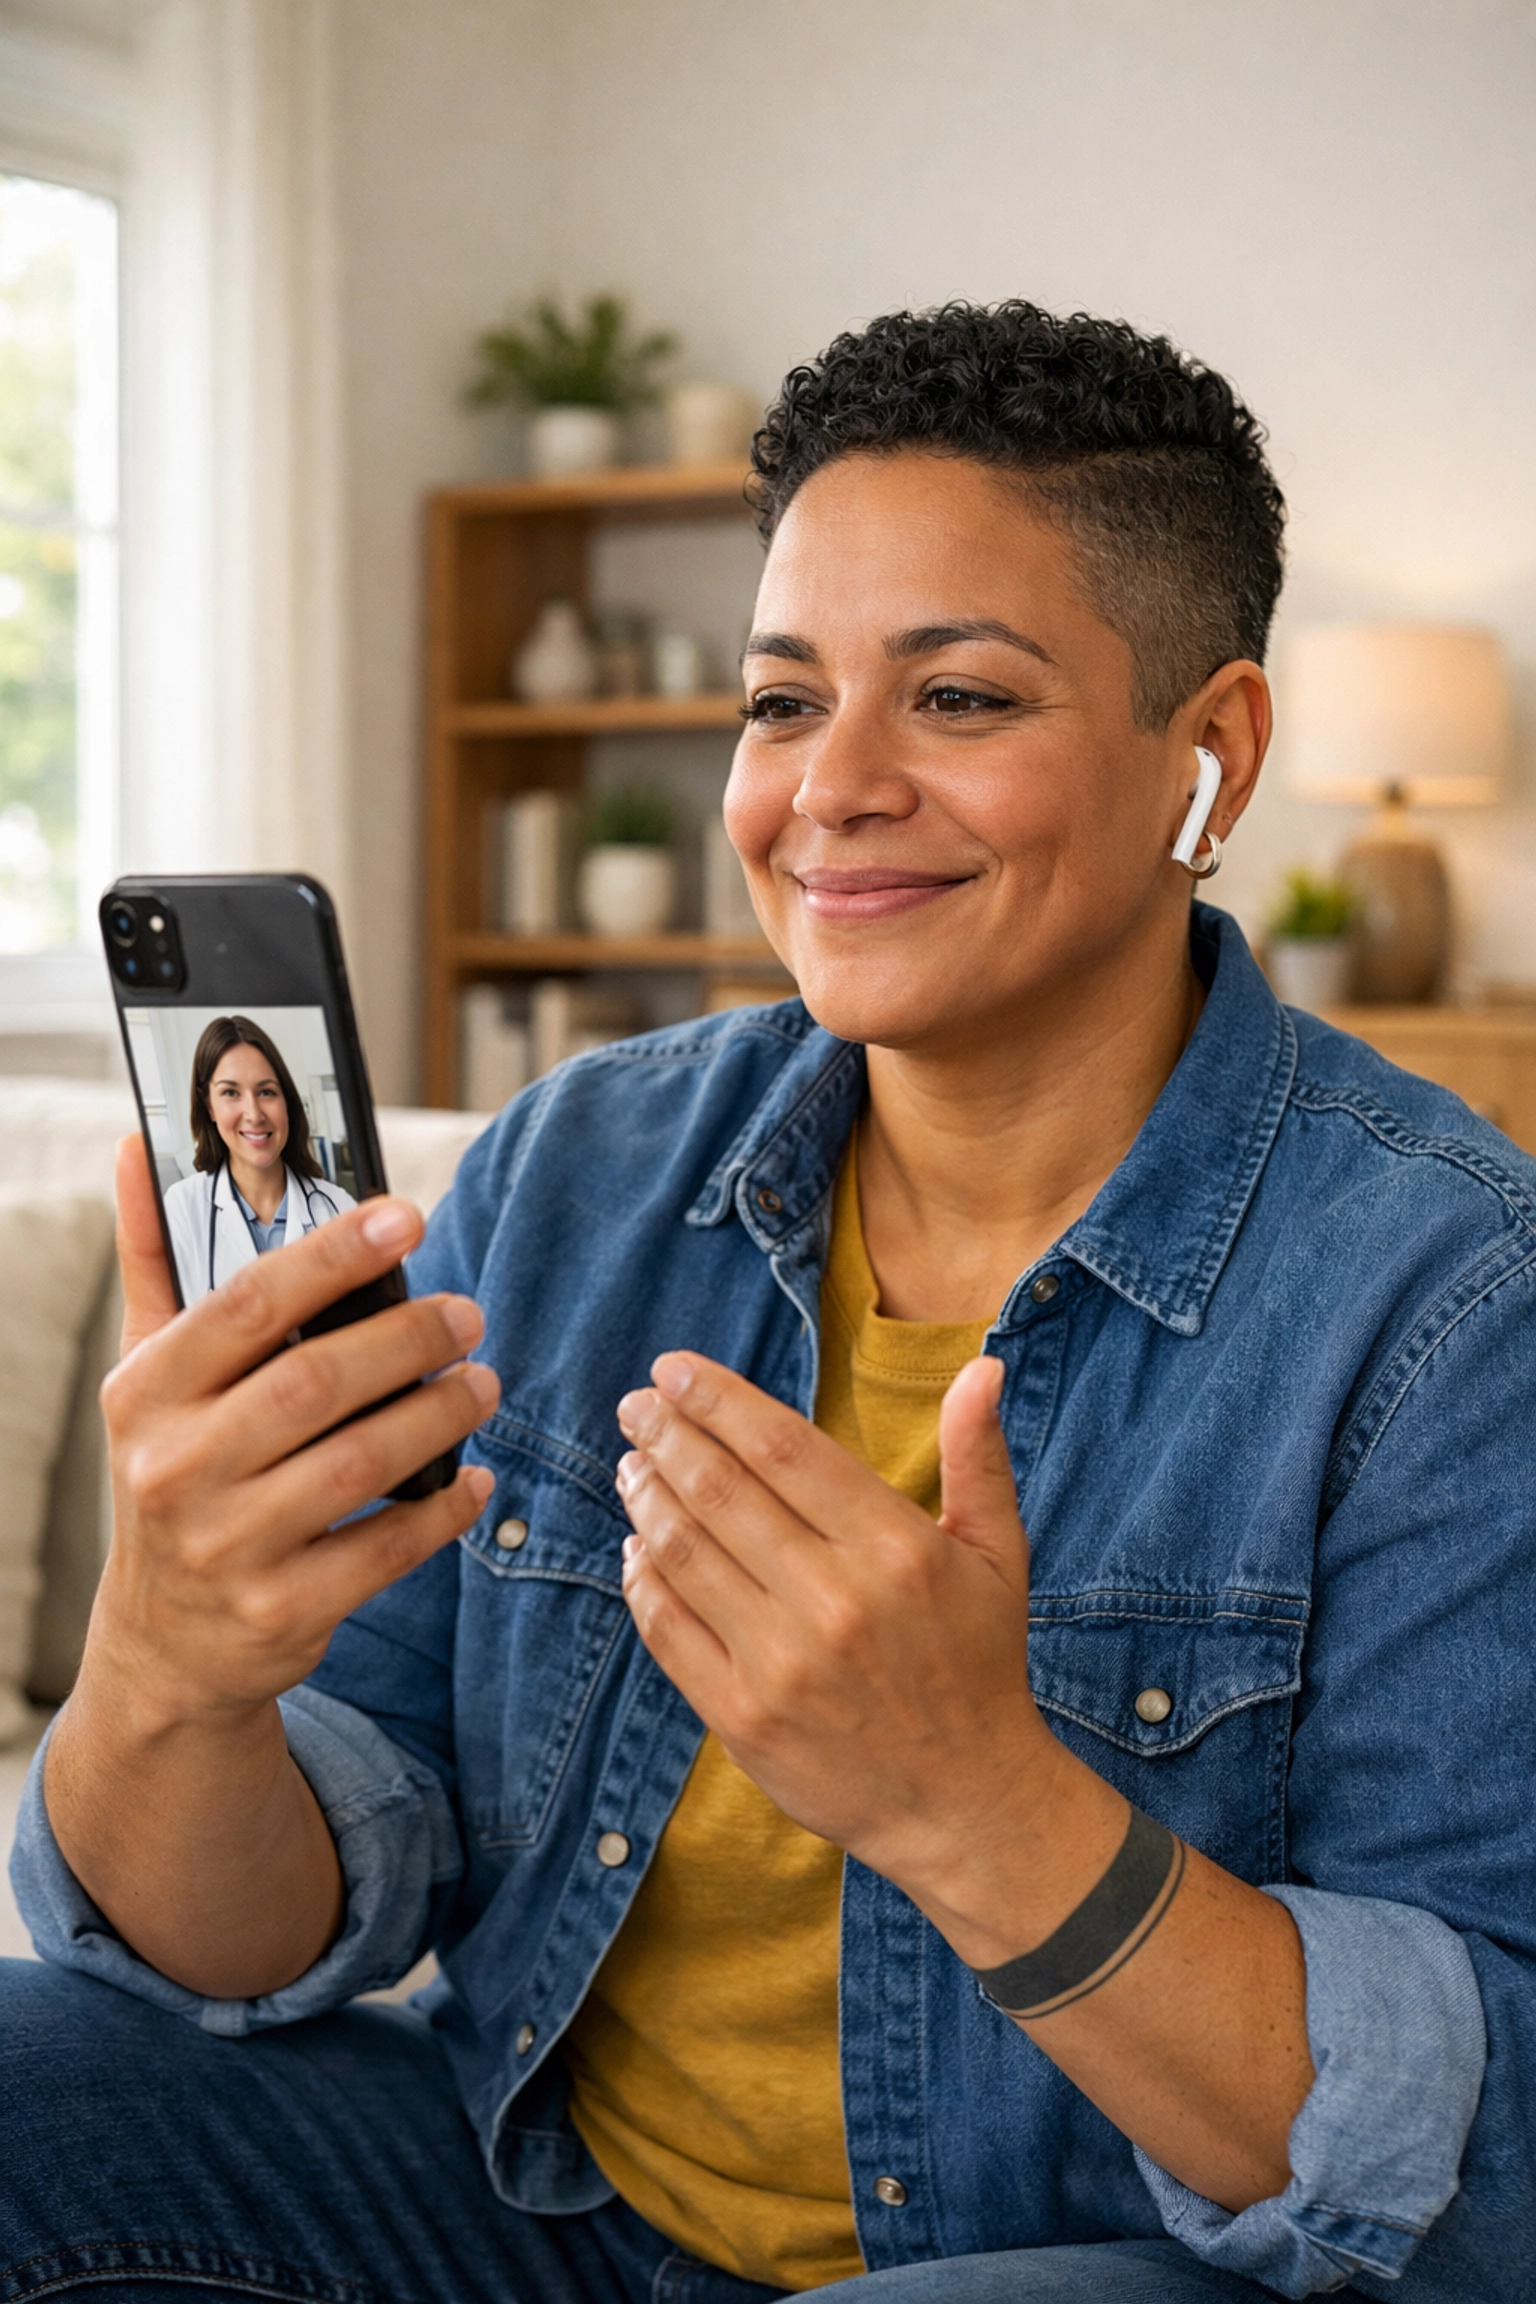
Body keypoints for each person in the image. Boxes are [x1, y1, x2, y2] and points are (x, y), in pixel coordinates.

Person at [6, 303, 1533, 2304]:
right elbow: (271, 1936)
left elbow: (1483, 2178)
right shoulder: (574, 1178)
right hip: (554, 2218)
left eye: (963, 701)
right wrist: (172, 1664)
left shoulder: (1449, 1298)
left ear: (1213, 750)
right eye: (781, 700)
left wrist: (970, 1802)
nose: (832, 790)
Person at [161, 1014, 355, 1303]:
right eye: (230, 1093)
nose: (253, 1113)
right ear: (209, 1107)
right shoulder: (182, 1208)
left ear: (286, 1102)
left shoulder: (339, 1208)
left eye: (266, 1092)